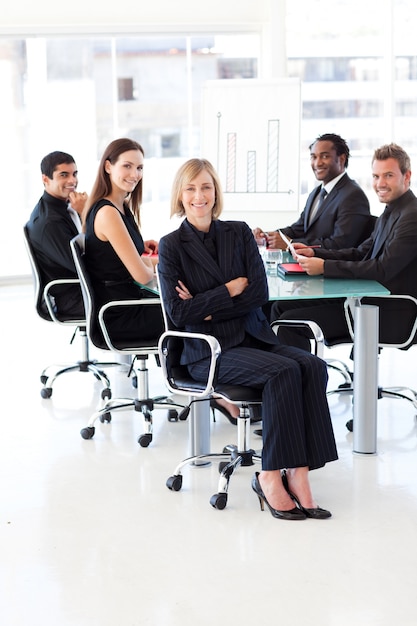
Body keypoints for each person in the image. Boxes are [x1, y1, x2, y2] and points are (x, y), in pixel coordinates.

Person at [157, 158, 338, 521]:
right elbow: (179, 314)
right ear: (180, 194)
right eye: (191, 188)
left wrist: (206, 303)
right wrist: (228, 289)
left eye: (206, 187)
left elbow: (257, 295)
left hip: (253, 336)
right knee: (283, 372)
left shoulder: (238, 233)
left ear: (215, 192)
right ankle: (270, 476)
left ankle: (298, 473)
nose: (199, 196)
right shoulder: (171, 245)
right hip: (209, 351)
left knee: (313, 365)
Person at [271, 143, 417, 352]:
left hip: (389, 313)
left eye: (388, 176)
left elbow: (382, 269)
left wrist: (325, 267)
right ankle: (295, 379)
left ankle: (303, 381)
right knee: (279, 308)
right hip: (366, 302)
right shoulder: (392, 210)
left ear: (407, 176)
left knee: (289, 323)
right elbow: (360, 253)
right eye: (376, 176)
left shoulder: (411, 216)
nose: (380, 183)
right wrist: (315, 253)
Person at [82, 138, 163, 345]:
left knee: (192, 307)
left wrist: (171, 259)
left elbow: (135, 263)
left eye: (139, 168)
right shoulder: (108, 213)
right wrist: (165, 268)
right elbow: (142, 276)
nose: (135, 174)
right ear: (108, 166)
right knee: (193, 313)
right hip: (119, 315)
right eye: (127, 166)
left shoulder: (122, 206)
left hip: (129, 303)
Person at [253, 133, 372, 251]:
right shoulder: (317, 192)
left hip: (327, 268)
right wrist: (267, 236)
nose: (317, 163)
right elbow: (298, 229)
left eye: (324, 156)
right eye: (313, 157)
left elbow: (340, 244)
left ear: (341, 159)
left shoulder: (353, 195)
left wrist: (291, 244)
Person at [26, 150, 88, 318]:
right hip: (71, 298)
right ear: (45, 179)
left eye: (74, 174)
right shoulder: (49, 222)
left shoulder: (65, 206)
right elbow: (83, 266)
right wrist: (86, 215)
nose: (72, 180)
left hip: (81, 290)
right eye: (64, 175)